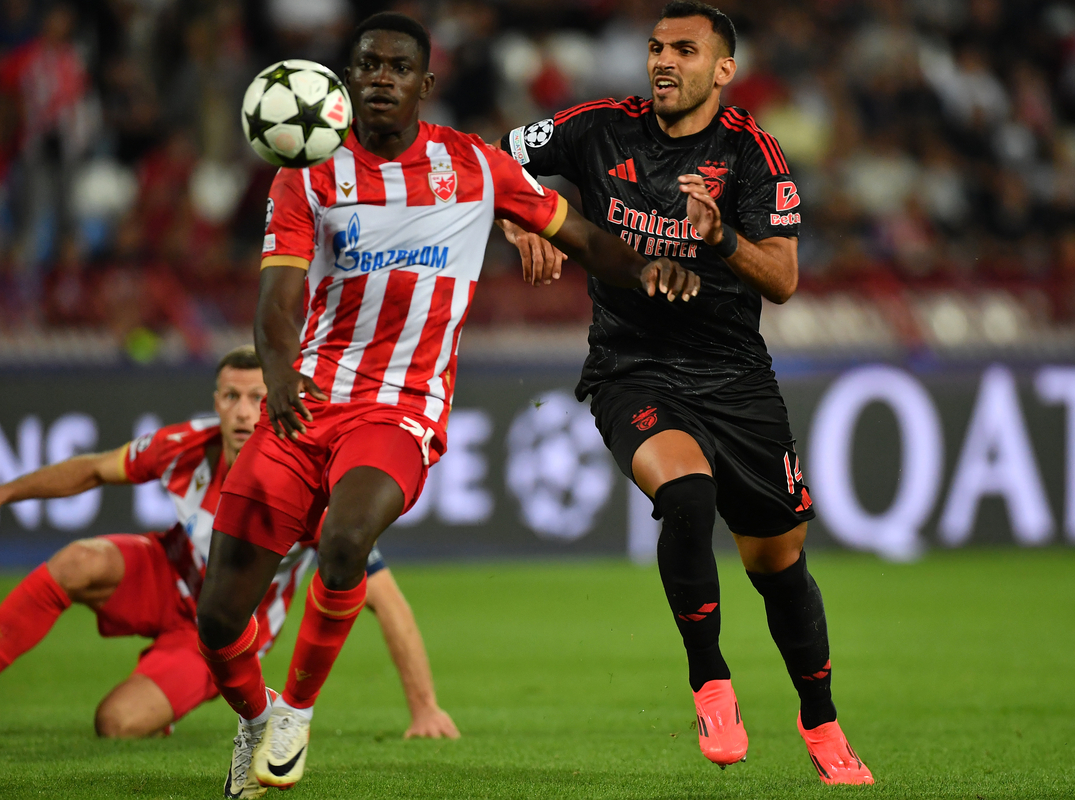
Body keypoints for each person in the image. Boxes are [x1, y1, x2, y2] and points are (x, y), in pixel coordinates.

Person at [192, 12, 699, 798]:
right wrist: (280, 373)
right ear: (346, 80)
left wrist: (655, 269)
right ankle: (255, 719)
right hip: (306, 404)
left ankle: (294, 711)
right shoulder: (309, 174)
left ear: (426, 84)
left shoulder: (474, 165)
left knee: (346, 538)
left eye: (398, 67)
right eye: (367, 65)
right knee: (220, 619)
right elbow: (278, 300)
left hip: (401, 408)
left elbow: (584, 237)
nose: (382, 78)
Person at [498, 1, 873, 785]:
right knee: (687, 494)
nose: (664, 62)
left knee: (778, 564)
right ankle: (711, 682)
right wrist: (518, 216)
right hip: (631, 367)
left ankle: (821, 719)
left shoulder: (752, 154)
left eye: (685, 50)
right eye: (656, 48)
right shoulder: (598, 127)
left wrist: (720, 239)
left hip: (734, 375)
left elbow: (786, 279)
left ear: (723, 70)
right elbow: (494, 155)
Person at [0, 345, 458, 746]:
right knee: (78, 560)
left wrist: (425, 709)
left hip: (223, 631)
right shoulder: (183, 444)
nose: (243, 412)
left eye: (258, 398)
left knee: (116, 723)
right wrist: (7, 492)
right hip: (165, 574)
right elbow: (96, 469)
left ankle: (196, 700)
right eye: (232, 397)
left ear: (282, 399)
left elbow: (387, 600)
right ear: (216, 401)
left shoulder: (313, 483)